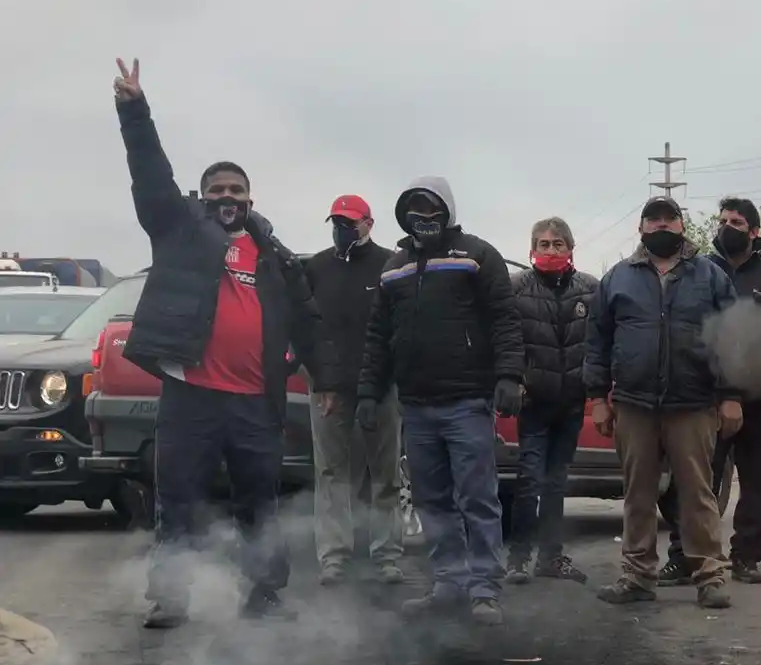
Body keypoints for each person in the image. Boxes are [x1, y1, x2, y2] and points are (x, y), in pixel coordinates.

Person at [112, 58, 338, 629]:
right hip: (192, 398)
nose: (227, 196)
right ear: (202, 195)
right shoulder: (180, 230)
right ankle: (171, 597)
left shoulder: (274, 253)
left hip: (254, 402)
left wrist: (326, 378)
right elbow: (150, 175)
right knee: (179, 503)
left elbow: (306, 317)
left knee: (259, 504)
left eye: (236, 189)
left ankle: (264, 592)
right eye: (217, 189)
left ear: (251, 198)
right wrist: (134, 110)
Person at [358, 177, 524, 626]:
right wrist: (369, 394)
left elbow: (505, 319)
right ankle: (449, 582)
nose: (423, 217)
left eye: (431, 208)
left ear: (447, 210)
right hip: (415, 405)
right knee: (433, 500)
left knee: (478, 497)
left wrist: (509, 375)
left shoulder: (476, 255)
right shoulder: (393, 267)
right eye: (414, 209)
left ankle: (485, 587)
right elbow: (377, 338)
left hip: (468, 401)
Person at [585, 195, 739, 609]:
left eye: (669, 220)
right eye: (653, 220)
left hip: (693, 403)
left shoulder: (710, 276)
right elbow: (597, 341)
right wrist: (598, 398)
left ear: (682, 226)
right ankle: (637, 576)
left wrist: (730, 396)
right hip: (634, 404)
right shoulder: (617, 277)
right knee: (638, 493)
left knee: (697, 492)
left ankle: (709, 575)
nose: (661, 227)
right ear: (641, 228)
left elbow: (731, 340)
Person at [655, 198, 761, 585]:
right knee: (698, 482)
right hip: (706, 399)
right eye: (722, 220)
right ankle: (685, 556)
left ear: (754, 231)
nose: (726, 226)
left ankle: (745, 557)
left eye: (736, 222)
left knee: (757, 484)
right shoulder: (699, 272)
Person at [304, 195, 404, 586]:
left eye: (351, 222)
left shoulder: (389, 265)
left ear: (369, 224)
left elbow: (397, 329)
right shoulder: (317, 268)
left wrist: (386, 381)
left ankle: (387, 555)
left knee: (385, 473)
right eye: (337, 222)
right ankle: (334, 557)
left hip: (380, 387)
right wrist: (320, 379)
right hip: (329, 389)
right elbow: (309, 330)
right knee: (331, 473)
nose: (343, 229)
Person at [506, 216, 598, 585]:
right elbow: (508, 341)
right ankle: (517, 558)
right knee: (529, 479)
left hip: (571, 401)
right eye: (543, 244)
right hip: (534, 401)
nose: (550, 250)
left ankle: (551, 557)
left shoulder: (590, 290)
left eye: (557, 244)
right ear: (532, 249)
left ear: (570, 249)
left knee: (557, 482)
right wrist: (515, 380)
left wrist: (593, 384)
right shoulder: (517, 289)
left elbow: (599, 341)